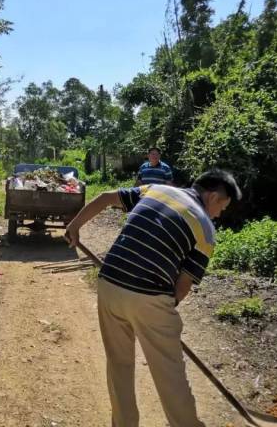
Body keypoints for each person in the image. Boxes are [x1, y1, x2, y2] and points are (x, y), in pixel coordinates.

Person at [65, 169, 241, 427]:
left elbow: (104, 197)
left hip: (110, 282)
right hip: (149, 296)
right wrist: (160, 319)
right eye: (223, 207)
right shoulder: (205, 229)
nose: (219, 214)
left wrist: (74, 226)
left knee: (119, 364)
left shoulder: (156, 190)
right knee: (170, 374)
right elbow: (181, 287)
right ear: (213, 196)